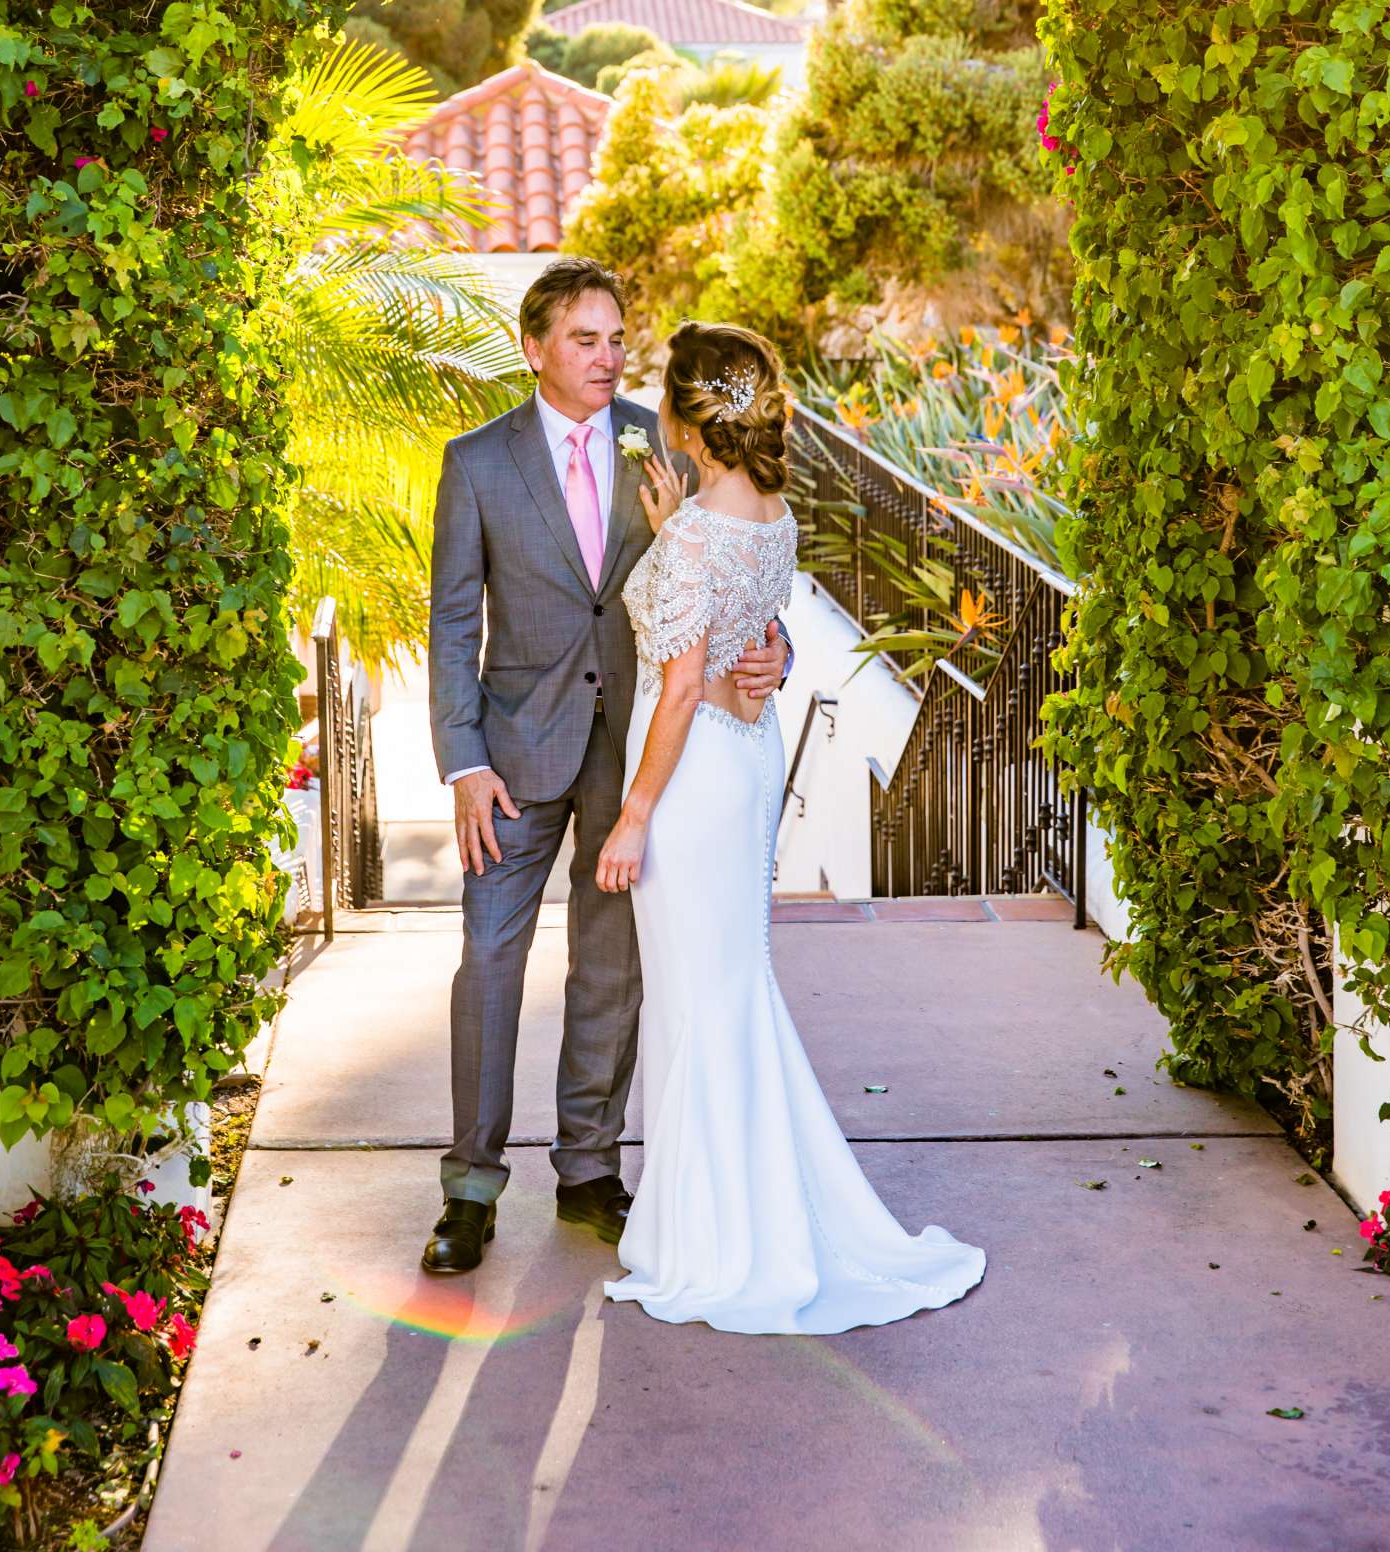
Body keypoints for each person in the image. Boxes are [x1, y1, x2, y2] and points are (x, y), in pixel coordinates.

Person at [597, 320, 986, 1333]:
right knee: (725, 986)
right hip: (746, 758)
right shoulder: (767, 510)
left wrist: (631, 816)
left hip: (685, 784)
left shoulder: (691, 534)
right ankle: (723, 1220)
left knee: (697, 995)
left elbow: (681, 686)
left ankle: (714, 1240)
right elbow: (745, 641)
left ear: (687, 417)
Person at [421, 260, 790, 1275]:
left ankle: (588, 1170)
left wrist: (776, 653)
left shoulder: (664, 439)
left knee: (611, 968)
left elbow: (738, 563)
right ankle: (470, 1187)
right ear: (534, 346)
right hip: (510, 752)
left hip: (639, 754)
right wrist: (462, 763)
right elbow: (453, 621)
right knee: (491, 960)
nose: (607, 356)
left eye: (618, 338)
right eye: (584, 339)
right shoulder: (477, 463)